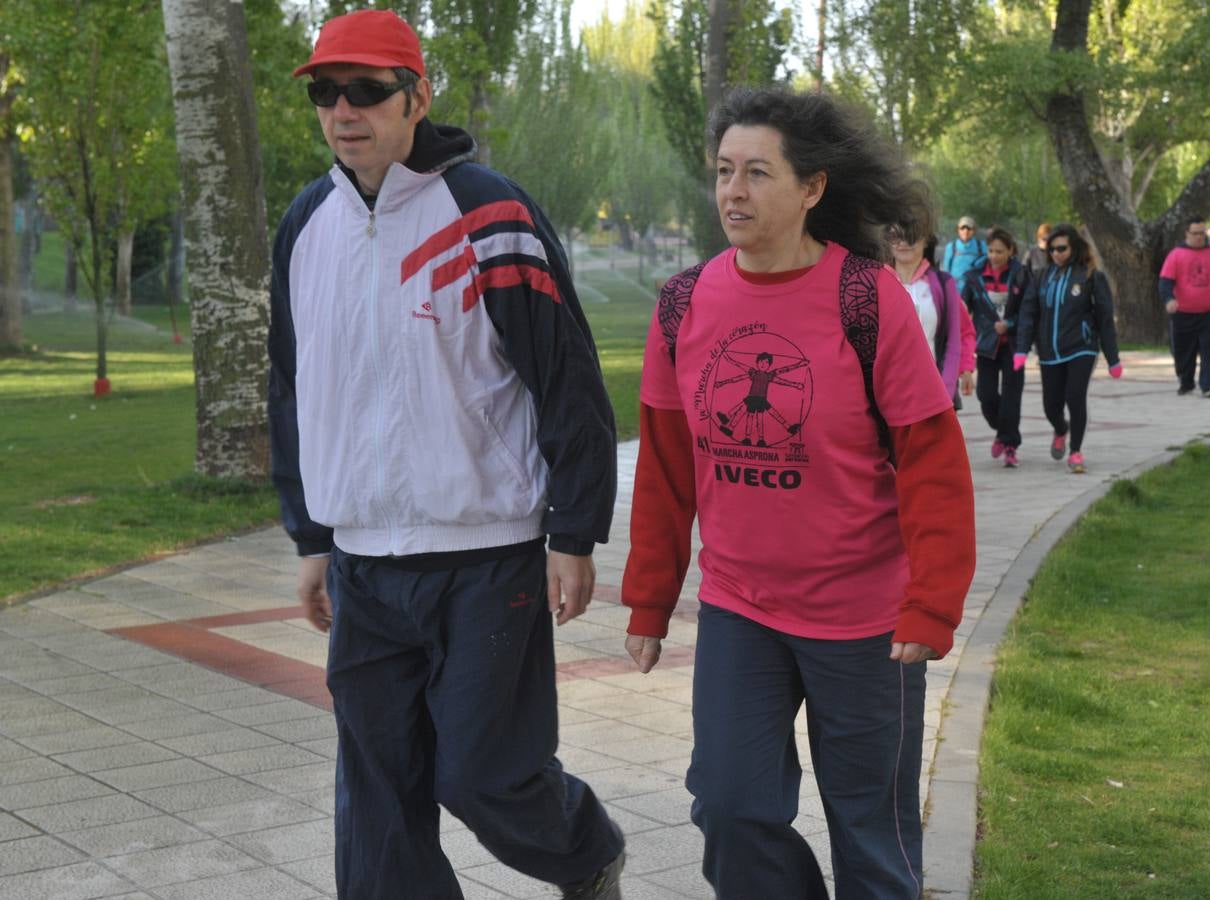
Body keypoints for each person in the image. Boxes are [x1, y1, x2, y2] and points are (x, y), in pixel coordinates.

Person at [267, 10, 625, 898]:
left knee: (483, 776)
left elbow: (566, 378)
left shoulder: (489, 213)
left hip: (485, 557)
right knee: (378, 807)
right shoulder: (306, 225)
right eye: (325, 91)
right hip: (363, 566)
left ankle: (587, 855)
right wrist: (313, 533)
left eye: (367, 91)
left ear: (417, 97)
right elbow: (291, 388)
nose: (343, 110)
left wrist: (573, 533)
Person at [621, 88, 976, 900]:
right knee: (729, 809)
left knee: (871, 837)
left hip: (867, 622)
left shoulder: (865, 296)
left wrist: (932, 605)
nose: (733, 193)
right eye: (722, 173)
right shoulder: (682, 304)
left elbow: (931, 459)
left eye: (756, 173)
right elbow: (668, 470)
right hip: (742, 609)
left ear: (812, 188)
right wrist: (649, 599)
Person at [1014, 223, 1123, 473]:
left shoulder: (1090, 275)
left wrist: (1113, 358)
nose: (1056, 254)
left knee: (1075, 396)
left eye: (1061, 248)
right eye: (1051, 249)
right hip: (1049, 352)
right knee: (1051, 404)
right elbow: (1029, 312)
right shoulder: (1041, 277)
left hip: (1081, 348)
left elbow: (1105, 318)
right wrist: (1022, 348)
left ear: (1073, 248)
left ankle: (1075, 451)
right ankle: (1061, 429)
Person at [961, 227, 1028, 467]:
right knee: (986, 396)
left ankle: (1010, 446)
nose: (994, 256)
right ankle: (1005, 433)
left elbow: (1030, 311)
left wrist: (1010, 324)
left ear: (1010, 251)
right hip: (986, 346)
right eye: (990, 250)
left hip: (1013, 346)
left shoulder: (1021, 275)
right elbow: (962, 309)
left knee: (1011, 398)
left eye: (999, 251)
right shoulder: (974, 276)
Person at [886, 227, 969, 400]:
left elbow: (954, 342)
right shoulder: (874, 282)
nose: (902, 243)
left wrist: (945, 393)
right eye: (895, 236)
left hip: (931, 391)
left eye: (911, 236)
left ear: (926, 241)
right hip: (887, 393)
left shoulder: (943, 283)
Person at [1159, 217, 1210, 397]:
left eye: (1202, 233)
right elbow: (1165, 282)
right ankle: (1186, 381)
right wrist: (1169, 299)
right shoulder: (1176, 255)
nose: (1200, 237)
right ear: (1187, 234)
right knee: (1183, 351)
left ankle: (1209, 384)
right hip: (1183, 313)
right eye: (1195, 233)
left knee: (1209, 350)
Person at [941, 215, 986, 282]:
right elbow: (945, 271)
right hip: (955, 289)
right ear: (958, 230)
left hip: (976, 288)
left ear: (974, 230)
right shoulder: (951, 247)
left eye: (969, 228)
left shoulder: (982, 245)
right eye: (962, 228)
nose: (966, 231)